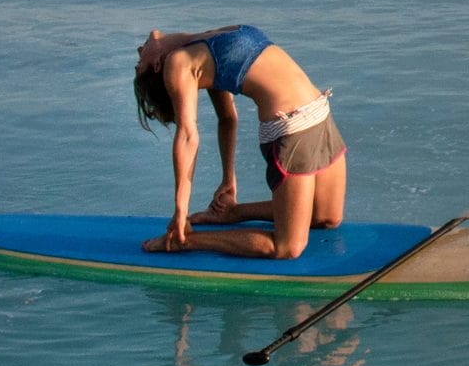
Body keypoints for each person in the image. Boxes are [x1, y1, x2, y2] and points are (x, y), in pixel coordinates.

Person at [132, 24, 347, 258]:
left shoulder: (202, 44)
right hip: (292, 127)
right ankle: (187, 241)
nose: (139, 50)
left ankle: (234, 213)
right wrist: (180, 210)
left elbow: (227, 119)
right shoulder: (177, 62)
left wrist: (228, 179)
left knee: (326, 217)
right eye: (139, 63)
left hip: (320, 112)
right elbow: (187, 135)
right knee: (288, 247)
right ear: (156, 66)